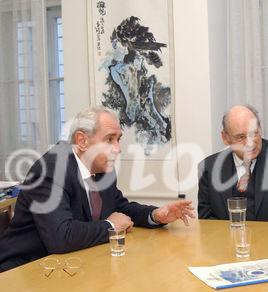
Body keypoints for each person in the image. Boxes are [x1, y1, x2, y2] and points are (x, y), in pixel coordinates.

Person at [0, 106, 195, 272]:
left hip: (70, 266)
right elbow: (60, 237)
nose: (117, 148)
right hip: (25, 271)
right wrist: (110, 226)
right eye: (109, 139)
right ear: (82, 141)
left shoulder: (103, 169)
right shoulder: (51, 169)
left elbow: (119, 208)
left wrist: (155, 215)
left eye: (118, 139)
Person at [197, 104, 268, 223]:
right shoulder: (209, 168)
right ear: (225, 138)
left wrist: (266, 238)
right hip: (227, 240)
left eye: (254, 133)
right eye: (241, 137)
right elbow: (206, 221)